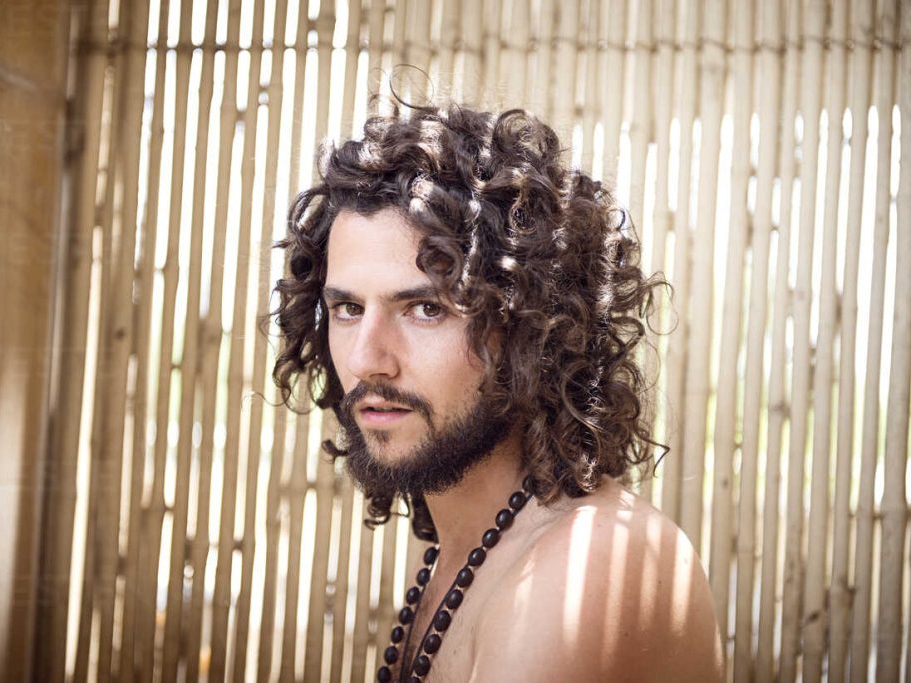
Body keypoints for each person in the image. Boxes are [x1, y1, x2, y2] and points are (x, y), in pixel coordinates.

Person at [270, 101, 724, 682]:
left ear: (533, 329)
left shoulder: (589, 566)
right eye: (349, 308)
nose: (366, 360)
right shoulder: (462, 546)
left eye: (426, 309)